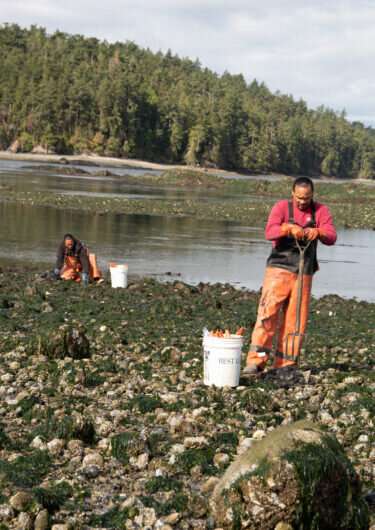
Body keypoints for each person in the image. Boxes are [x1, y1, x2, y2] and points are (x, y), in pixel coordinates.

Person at [243, 177, 337, 374]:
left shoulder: (321, 210)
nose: (303, 202)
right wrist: (287, 228)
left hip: (304, 272)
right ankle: (255, 362)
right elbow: (269, 232)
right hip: (278, 268)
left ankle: (286, 365)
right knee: (267, 314)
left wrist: (318, 232)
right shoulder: (281, 208)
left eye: (307, 198)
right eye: (299, 198)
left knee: (296, 320)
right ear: (292, 193)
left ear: (312, 195)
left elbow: (331, 236)